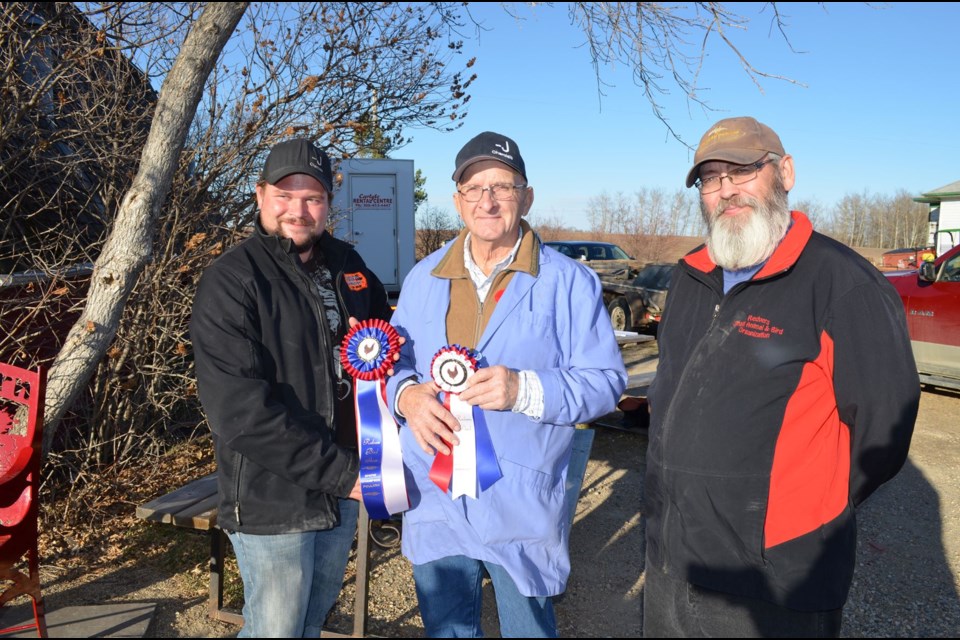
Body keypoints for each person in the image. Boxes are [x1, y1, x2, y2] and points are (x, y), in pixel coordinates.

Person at [644, 116, 921, 637]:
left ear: (784, 172)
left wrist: (799, 517)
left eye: (743, 170)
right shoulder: (690, 276)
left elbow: (884, 432)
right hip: (672, 560)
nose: (727, 191)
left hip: (773, 581)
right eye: (710, 179)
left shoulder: (842, 284)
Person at [385, 131, 627, 637]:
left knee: (529, 632)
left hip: (520, 497)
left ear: (526, 196)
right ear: (457, 201)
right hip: (436, 493)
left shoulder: (569, 282)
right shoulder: (421, 279)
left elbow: (606, 383)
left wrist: (524, 390)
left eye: (502, 186)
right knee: (446, 630)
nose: (487, 200)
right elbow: (394, 363)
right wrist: (406, 395)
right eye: (473, 188)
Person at [190, 138, 393, 638]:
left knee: (312, 616)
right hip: (272, 495)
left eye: (313, 197)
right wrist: (343, 473)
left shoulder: (349, 267)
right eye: (285, 194)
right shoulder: (232, 281)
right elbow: (239, 411)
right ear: (260, 196)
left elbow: (384, 350)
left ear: (328, 205)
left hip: (344, 483)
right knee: (275, 629)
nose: (298, 209)